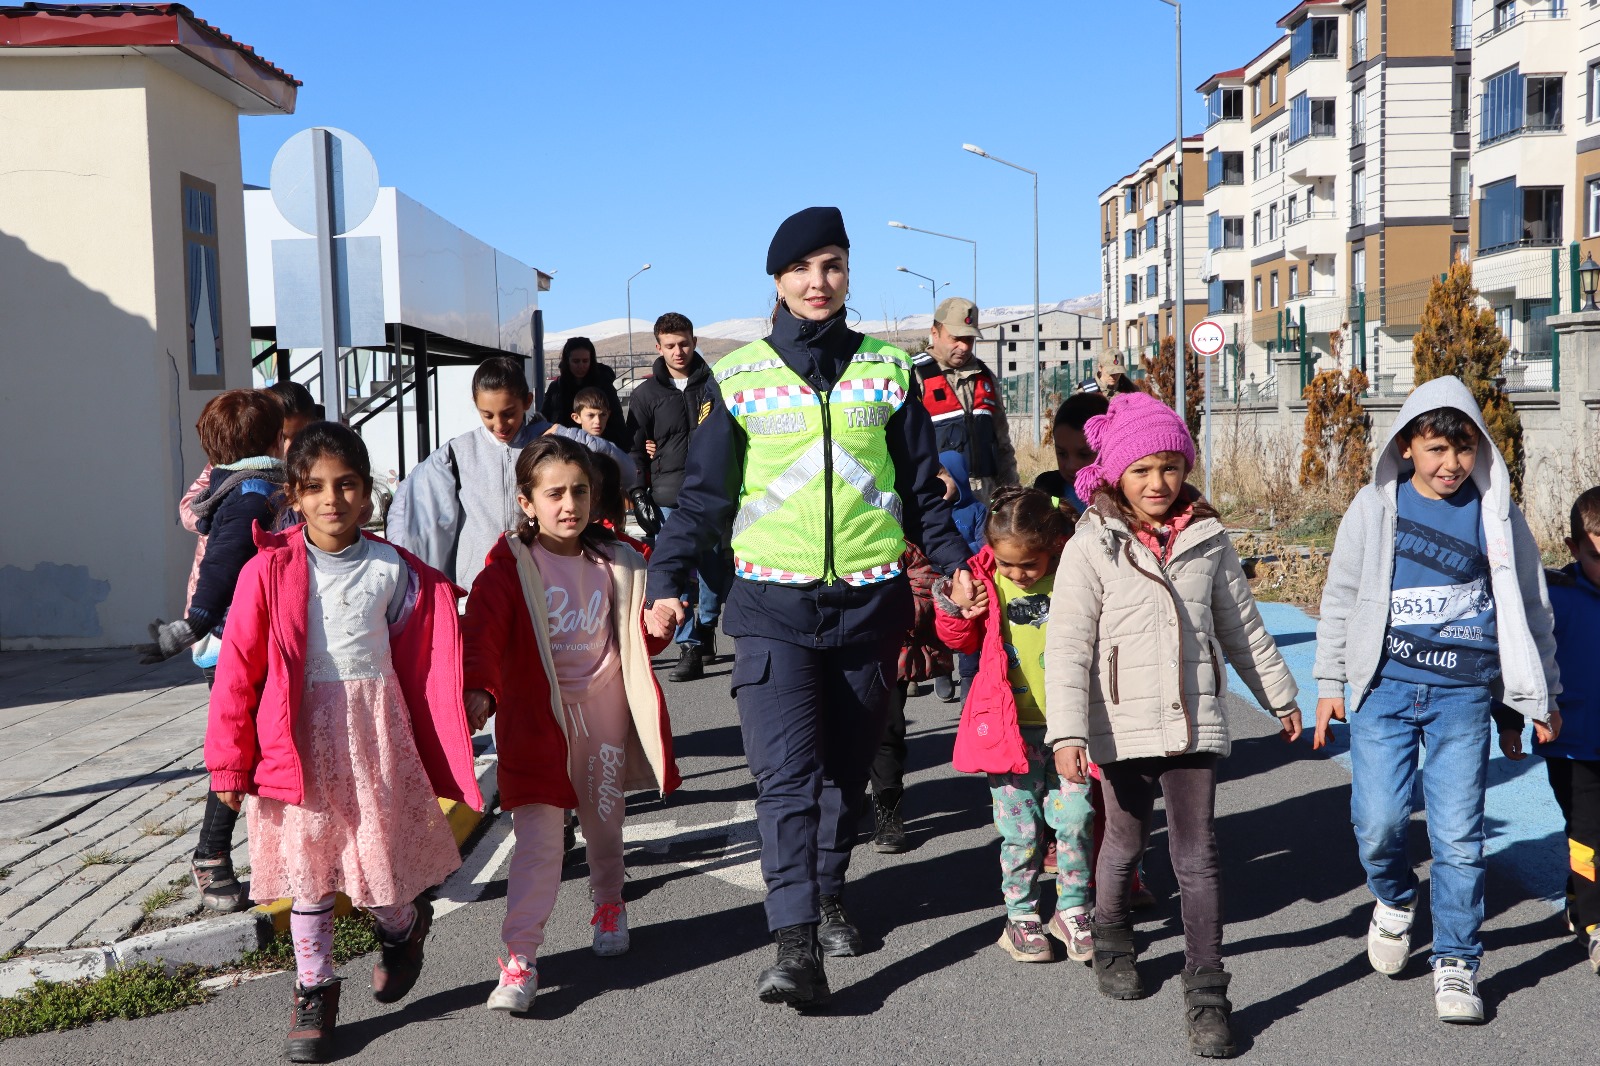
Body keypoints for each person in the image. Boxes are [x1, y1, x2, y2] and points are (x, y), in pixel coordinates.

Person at [645, 207, 976, 1009]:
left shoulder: (891, 372)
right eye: (802, 269)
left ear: (847, 274)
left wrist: (958, 565)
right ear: (778, 282)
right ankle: (795, 944)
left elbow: (923, 493)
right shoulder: (742, 376)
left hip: (870, 606)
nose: (818, 282)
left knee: (843, 774)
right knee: (787, 778)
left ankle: (829, 890)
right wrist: (666, 581)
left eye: (831, 265)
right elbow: (703, 498)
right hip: (770, 607)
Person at [205, 422, 482, 1062]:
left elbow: (429, 651)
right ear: (294, 497)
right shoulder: (267, 573)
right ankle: (315, 990)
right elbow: (238, 671)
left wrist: (470, 691)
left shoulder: (395, 571)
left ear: (366, 493)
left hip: (374, 739)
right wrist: (227, 762)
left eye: (346, 485)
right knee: (310, 878)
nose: (332, 499)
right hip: (294, 745)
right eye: (315, 488)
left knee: (380, 876)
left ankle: (404, 927)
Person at [1046, 390, 1301, 1059]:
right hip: (1120, 721)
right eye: (1141, 471)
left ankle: (1208, 992)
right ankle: (1110, 937)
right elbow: (1068, 645)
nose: (1158, 482)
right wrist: (1068, 733)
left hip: (1192, 720)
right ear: (1114, 477)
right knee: (1124, 843)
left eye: (1169, 467)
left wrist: (1279, 695)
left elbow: (1241, 626)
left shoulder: (1208, 539)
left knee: (1198, 855)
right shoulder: (1091, 545)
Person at [1314, 376, 1560, 1025]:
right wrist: (1328, 684)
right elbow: (1340, 597)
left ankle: (1457, 958)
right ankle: (1394, 897)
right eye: (1434, 449)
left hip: (1462, 700)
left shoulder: (1498, 515)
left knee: (1458, 836)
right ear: (1407, 447)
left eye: (1463, 449)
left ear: (1479, 448)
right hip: (1383, 690)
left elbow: (1529, 610)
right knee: (1381, 823)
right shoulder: (1375, 507)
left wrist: (1538, 699)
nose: (1450, 464)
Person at [462, 435, 678, 1012]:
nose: (569, 505)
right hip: (536, 719)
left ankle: (609, 903)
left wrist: (657, 625)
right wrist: (480, 688)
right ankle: (520, 958)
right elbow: (481, 633)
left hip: (602, 709)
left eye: (579, 491)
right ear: (526, 502)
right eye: (553, 493)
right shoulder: (508, 569)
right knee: (537, 841)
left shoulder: (617, 562)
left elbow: (636, 640)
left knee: (604, 823)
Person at [136, 389, 287, 913]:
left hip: (247, 640)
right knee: (240, 752)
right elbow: (223, 565)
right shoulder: (253, 492)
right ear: (275, 438)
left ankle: (277, 854)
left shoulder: (238, 485)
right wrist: (192, 624)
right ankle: (212, 857)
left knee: (262, 747)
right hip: (235, 644)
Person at [934, 486, 1097, 965]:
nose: (1017, 575)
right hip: (1009, 731)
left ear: (1052, 548)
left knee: (1077, 819)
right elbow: (958, 640)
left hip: (1070, 726)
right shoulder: (984, 583)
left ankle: (1071, 910)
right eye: (1006, 565)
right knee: (1021, 830)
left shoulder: (1074, 576)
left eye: (1028, 565)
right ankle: (1020, 915)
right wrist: (956, 606)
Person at [1494, 486, 1600, 974]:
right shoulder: (1553, 597)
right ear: (1575, 547)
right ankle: (1596, 927)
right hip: (1571, 743)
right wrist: (1511, 720)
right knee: (1586, 832)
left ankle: (1580, 907)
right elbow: (1520, 662)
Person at [387, 356, 553, 591]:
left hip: (540, 580)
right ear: (476, 405)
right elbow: (407, 496)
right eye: (488, 415)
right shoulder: (458, 451)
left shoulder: (546, 445)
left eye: (508, 413)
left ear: (527, 402)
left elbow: (601, 455)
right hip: (477, 584)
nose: (499, 424)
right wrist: (400, 548)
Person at [626, 312, 724, 681]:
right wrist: (638, 491)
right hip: (667, 495)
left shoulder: (716, 386)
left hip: (714, 495)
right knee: (676, 571)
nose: (678, 351)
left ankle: (708, 624)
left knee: (715, 569)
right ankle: (690, 645)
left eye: (684, 343)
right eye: (670, 345)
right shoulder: (645, 394)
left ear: (694, 342)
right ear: (658, 347)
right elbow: (634, 448)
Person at [867, 541, 953, 854]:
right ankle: (838, 811)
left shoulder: (890, 538)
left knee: (886, 732)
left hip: (890, 650)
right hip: (829, 648)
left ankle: (889, 812)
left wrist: (901, 617)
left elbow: (923, 577)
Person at [914, 297, 1017, 503]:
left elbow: (1002, 445)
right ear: (935, 333)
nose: (963, 346)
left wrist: (1012, 494)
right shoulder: (915, 376)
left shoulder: (985, 376)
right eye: (956, 338)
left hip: (987, 498)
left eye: (969, 339)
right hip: (939, 499)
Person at [541, 336, 629, 450]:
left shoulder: (605, 387)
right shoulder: (556, 388)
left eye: (585, 361)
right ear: (567, 361)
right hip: (564, 451)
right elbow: (545, 421)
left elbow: (618, 426)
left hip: (599, 451)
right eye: (576, 361)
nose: (581, 366)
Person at [1035, 392, 1110, 515]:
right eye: (1062, 453)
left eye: (1084, 454)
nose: (1071, 465)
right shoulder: (1047, 491)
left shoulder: (1127, 498)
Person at [569, 387, 639, 490]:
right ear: (576, 418)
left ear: (609, 414)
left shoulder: (618, 445)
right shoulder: (571, 449)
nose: (597, 421)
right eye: (591, 415)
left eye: (603, 415)